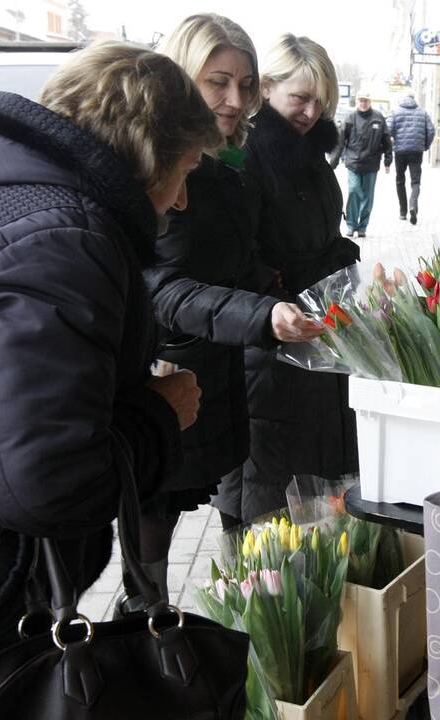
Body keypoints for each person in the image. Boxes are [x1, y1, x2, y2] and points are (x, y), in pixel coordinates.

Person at [0, 42, 218, 717]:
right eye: (188, 169)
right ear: (150, 153)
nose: (183, 198)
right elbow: (49, 484)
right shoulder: (59, 242)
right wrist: (159, 415)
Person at [138, 15, 325, 606]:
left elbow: (237, 261)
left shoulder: (226, 160)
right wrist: (262, 313)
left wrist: (284, 291)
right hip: (170, 369)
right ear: (179, 76)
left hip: (223, 364)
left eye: (245, 84)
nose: (235, 99)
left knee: (225, 499)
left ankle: (239, 611)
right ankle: (146, 622)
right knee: (157, 509)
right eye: (218, 81)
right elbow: (163, 290)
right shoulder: (159, 162)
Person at [214, 34, 360, 525]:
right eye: (300, 97)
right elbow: (235, 249)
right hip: (271, 335)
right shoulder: (250, 153)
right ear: (269, 87)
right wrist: (278, 291)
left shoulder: (311, 155)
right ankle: (259, 583)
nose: (311, 111)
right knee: (267, 484)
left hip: (314, 328)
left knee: (312, 472)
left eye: (321, 100)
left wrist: (350, 272)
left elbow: (327, 233)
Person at [337, 89, 392, 238]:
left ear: (370, 102)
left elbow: (386, 140)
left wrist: (388, 160)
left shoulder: (378, 118)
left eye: (366, 100)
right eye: (361, 100)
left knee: (368, 196)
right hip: (353, 163)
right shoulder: (350, 118)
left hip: (371, 164)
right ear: (357, 102)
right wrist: (334, 161)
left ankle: (362, 227)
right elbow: (341, 141)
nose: (363, 103)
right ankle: (351, 224)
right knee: (354, 190)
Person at [387, 93, 435, 225]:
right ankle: (413, 205)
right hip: (416, 151)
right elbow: (431, 130)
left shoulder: (395, 112)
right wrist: (425, 145)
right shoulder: (423, 113)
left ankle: (403, 212)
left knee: (400, 180)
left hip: (400, 151)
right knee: (415, 181)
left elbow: (388, 130)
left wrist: (392, 144)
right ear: (414, 99)